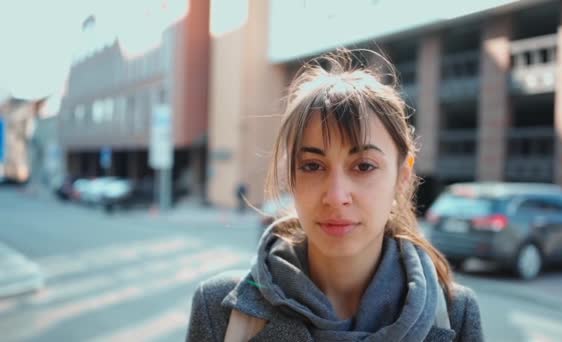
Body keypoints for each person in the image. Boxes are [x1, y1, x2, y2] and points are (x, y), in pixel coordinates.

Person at [186, 49, 483, 341]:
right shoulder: (220, 312)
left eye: (364, 166)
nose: (336, 196)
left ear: (402, 177)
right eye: (313, 166)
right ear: (291, 175)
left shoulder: (455, 315)